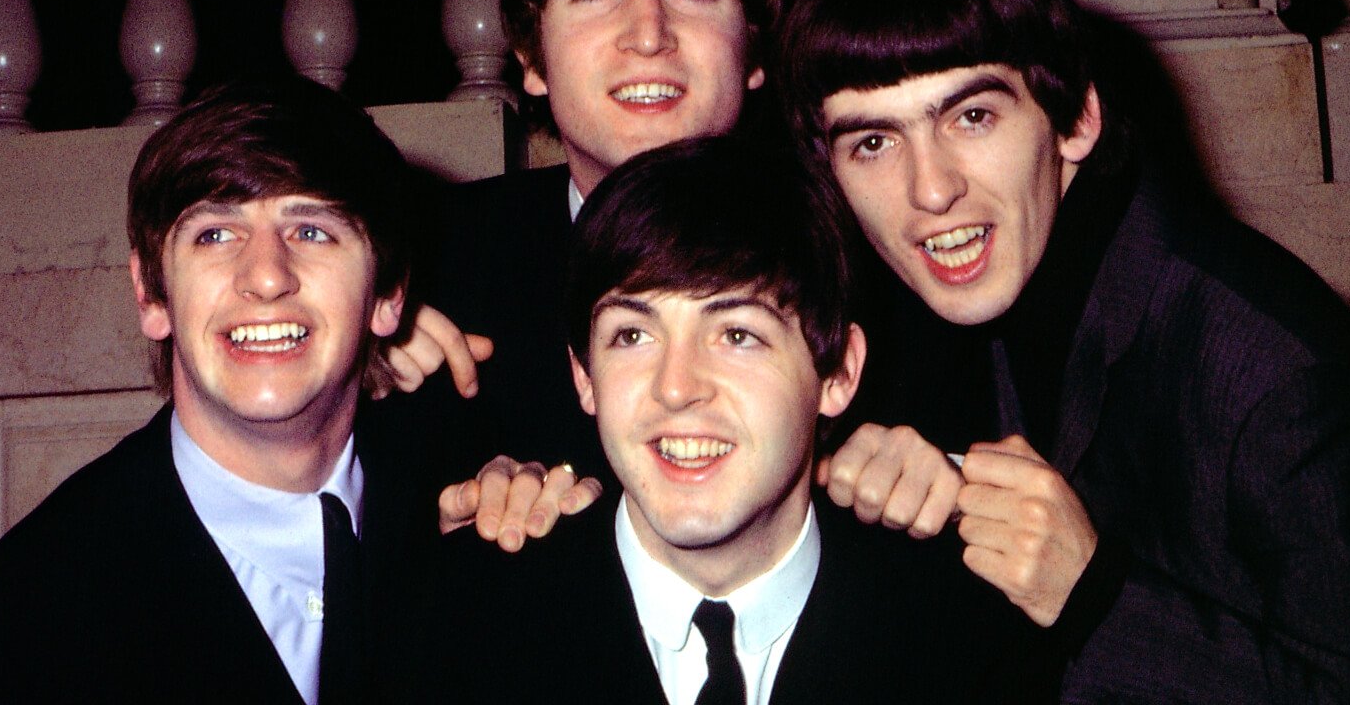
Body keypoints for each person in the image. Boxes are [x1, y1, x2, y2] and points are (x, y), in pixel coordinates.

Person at [780, 0, 1350, 702]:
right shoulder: (942, 310)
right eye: (873, 143)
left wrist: (1094, 598)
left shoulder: (1273, 376)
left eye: (972, 116)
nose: (930, 190)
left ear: (1075, 119)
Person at [0, 78, 579, 703]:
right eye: (215, 234)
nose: (266, 277)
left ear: (387, 294)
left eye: (311, 231)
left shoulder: (471, 521)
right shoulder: (18, 622)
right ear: (151, 293)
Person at [419, 136, 1046, 704]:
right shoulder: (461, 625)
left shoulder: (963, 642)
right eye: (633, 335)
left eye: (738, 335)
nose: (677, 387)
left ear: (838, 373)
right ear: (585, 376)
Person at [379, 0, 783, 550]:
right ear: (532, 60)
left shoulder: (854, 263)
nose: (648, 35)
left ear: (753, 50)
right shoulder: (415, 269)